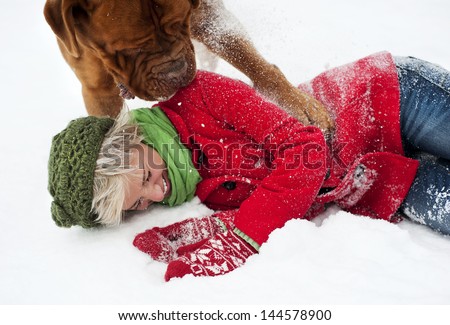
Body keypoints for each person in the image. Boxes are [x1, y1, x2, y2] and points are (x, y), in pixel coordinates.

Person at [48, 52, 450, 281]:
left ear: (131, 138)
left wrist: (243, 234)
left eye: (145, 177)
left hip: (388, 99)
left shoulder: (201, 95)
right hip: (381, 176)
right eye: (139, 204)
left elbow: (304, 150)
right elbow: (291, 201)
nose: (157, 194)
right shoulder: (205, 189)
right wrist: (221, 227)